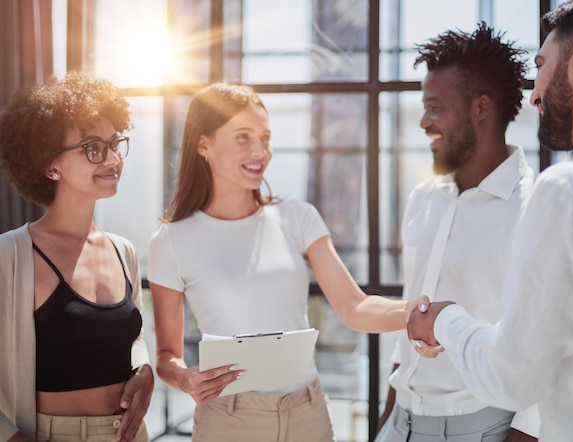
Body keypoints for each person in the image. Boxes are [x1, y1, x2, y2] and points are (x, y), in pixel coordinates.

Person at [147, 81, 419, 442]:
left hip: (307, 411)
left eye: (265, 137)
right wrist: (186, 378)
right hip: (230, 419)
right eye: (243, 137)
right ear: (203, 144)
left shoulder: (297, 217)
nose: (261, 151)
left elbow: (355, 306)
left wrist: (418, 314)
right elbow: (167, 355)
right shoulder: (172, 241)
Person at [406, 1, 573, 440]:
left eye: (541, 65)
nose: (533, 94)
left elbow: (515, 376)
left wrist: (445, 320)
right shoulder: (424, 199)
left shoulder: (570, 189)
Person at [375, 23, 540, 442]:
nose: (423, 121)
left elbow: (546, 345)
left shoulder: (536, 207)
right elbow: (411, 315)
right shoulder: (423, 197)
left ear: (480, 108)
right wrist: (388, 418)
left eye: (434, 106)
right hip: (400, 424)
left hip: (482, 428)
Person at [0, 72, 154, 442]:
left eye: (114, 143)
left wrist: (144, 369)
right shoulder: (10, 256)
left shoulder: (123, 251)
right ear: (51, 165)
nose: (113, 158)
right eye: (92, 147)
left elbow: (131, 338)